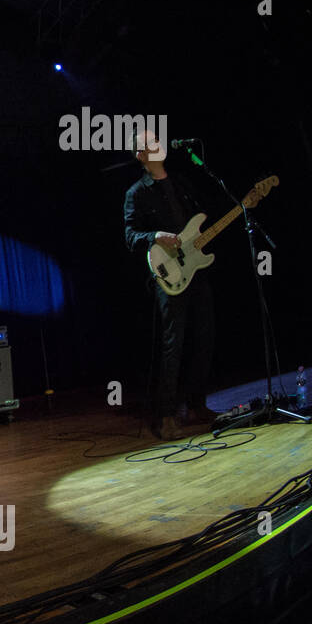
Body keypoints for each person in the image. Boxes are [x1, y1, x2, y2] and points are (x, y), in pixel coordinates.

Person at [123, 131, 216, 439]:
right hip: (168, 274)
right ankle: (166, 415)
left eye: (157, 140)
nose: (157, 145)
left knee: (205, 335)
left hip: (196, 269)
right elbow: (130, 236)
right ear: (141, 155)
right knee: (173, 344)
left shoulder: (182, 183)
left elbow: (198, 222)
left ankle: (196, 404)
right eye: (150, 143)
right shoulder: (136, 192)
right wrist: (155, 236)